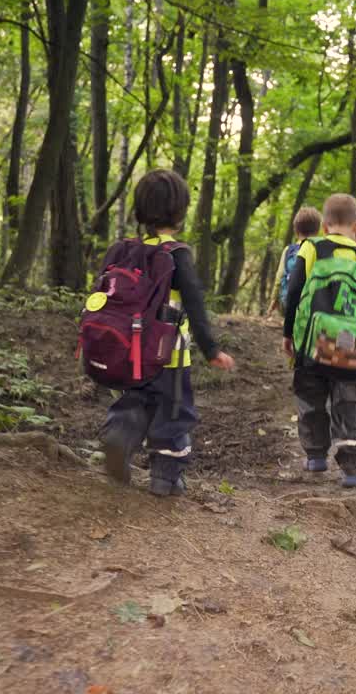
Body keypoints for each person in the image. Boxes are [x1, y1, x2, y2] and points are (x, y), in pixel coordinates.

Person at [99, 169, 236, 496]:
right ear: (179, 212)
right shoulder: (176, 254)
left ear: (140, 210)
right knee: (175, 413)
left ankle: (120, 433)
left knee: (134, 402)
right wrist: (211, 349)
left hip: (128, 355)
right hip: (168, 356)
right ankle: (165, 478)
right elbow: (195, 304)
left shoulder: (124, 250)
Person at [283, 194, 356, 488]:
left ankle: (315, 455)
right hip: (351, 347)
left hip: (313, 344)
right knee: (350, 402)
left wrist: (289, 334)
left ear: (324, 226)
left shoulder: (312, 248)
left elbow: (294, 291)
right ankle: (353, 468)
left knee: (310, 396)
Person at [269, 206, 322, 315]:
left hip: (288, 300)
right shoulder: (320, 249)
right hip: (312, 303)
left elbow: (279, 277)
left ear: (296, 230)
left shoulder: (289, 250)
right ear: (318, 230)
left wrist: (274, 299)